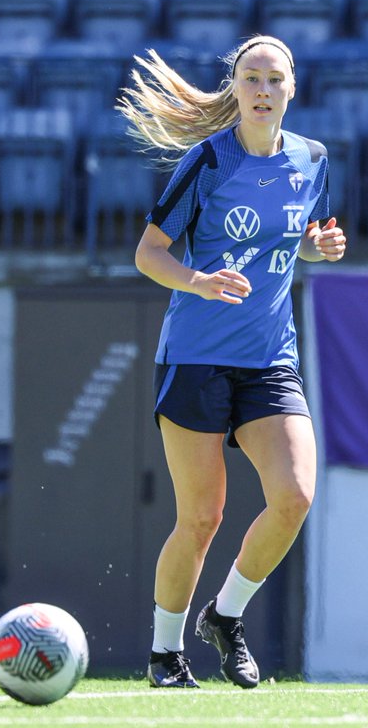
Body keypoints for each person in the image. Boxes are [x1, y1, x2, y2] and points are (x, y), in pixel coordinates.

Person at [118, 35, 347, 689]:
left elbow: (299, 240)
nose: (263, 90)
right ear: (236, 87)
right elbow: (149, 253)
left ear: (292, 88)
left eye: (275, 79)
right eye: (252, 78)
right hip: (195, 355)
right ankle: (166, 655)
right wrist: (199, 280)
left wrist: (318, 248)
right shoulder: (207, 161)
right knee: (202, 517)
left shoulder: (313, 159)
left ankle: (225, 615)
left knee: (296, 494)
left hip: (270, 357)